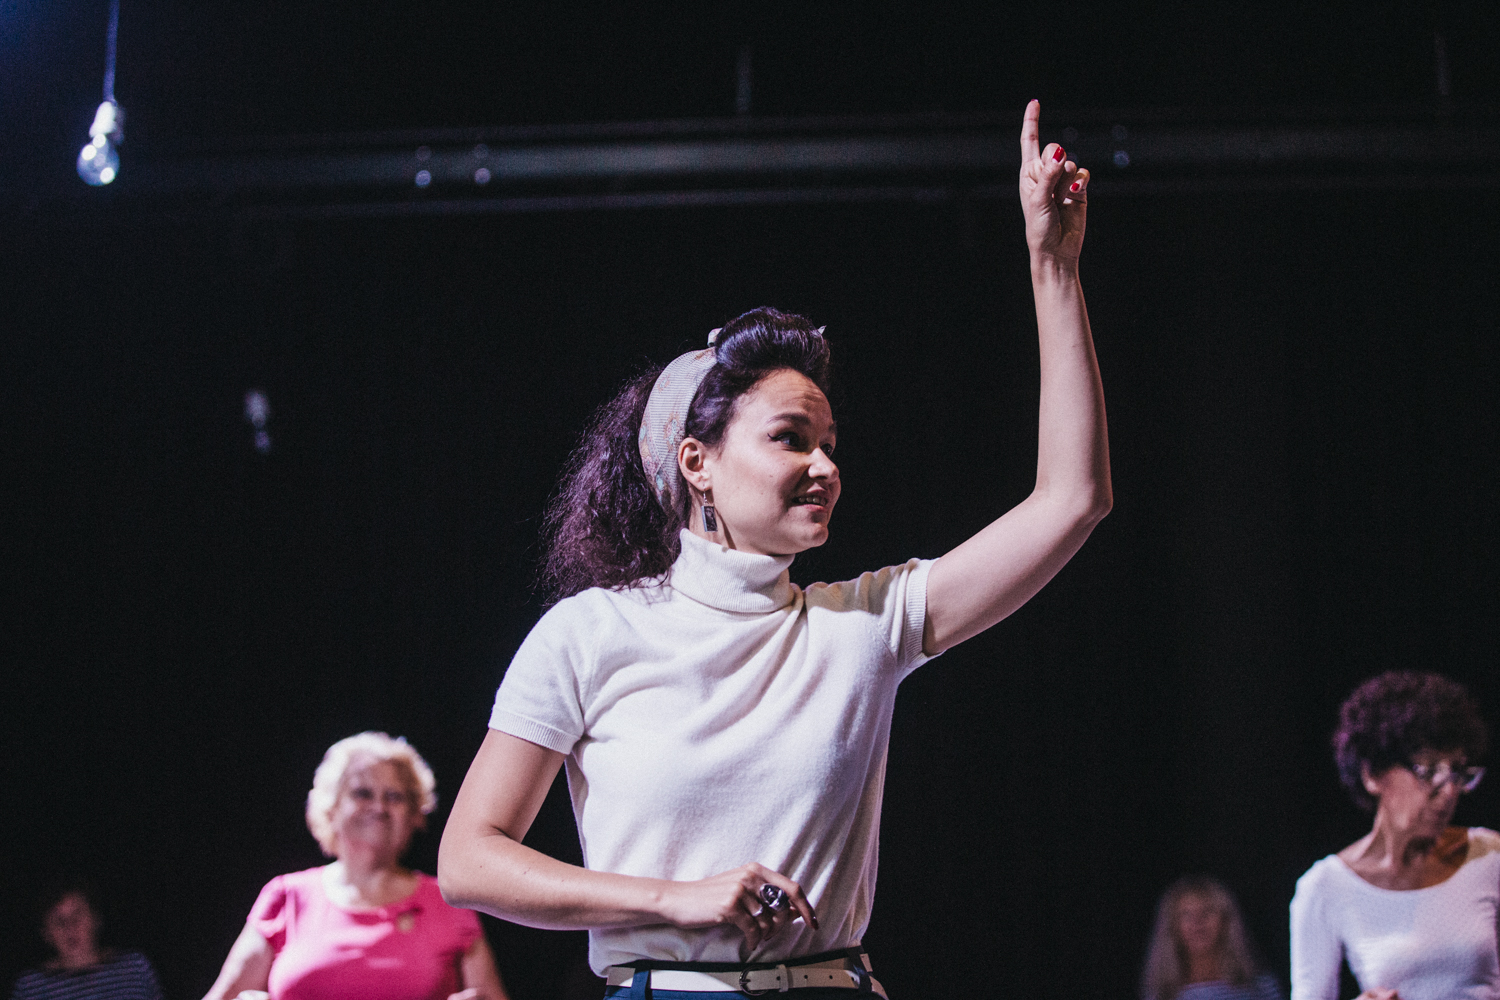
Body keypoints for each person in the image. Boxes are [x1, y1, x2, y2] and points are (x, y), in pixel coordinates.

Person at [438, 99, 1110, 998]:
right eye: (792, 438)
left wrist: (1053, 265)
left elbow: (1072, 499)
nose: (825, 466)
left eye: (830, 444)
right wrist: (676, 900)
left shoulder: (863, 623)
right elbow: (469, 859)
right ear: (698, 464)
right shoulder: (590, 634)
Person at [203, 732, 509, 1000]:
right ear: (331, 807)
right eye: (362, 793)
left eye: (394, 796)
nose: (379, 807)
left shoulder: (448, 902)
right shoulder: (287, 897)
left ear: (416, 814)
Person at [1290, 671, 1496, 1000]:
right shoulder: (1325, 888)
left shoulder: (1489, 856)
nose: (1448, 792)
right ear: (1372, 775)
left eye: (1457, 772)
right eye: (1428, 771)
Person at [10, 881, 165, 1000]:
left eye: (77, 915)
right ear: (46, 933)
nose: (69, 927)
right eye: (58, 920)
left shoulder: (134, 968)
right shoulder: (30, 987)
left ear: (96, 920)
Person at [1141, 875, 1282, 1000]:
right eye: (1187, 914)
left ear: (1226, 920)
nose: (1197, 922)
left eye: (1208, 911)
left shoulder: (1260, 988)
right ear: (1173, 926)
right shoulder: (1160, 994)